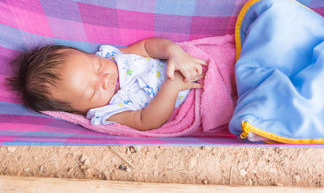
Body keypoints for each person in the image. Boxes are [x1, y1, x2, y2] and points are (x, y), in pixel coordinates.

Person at [7, 38, 208, 131]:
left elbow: (147, 48)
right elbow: (146, 121)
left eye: (97, 66)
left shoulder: (115, 57)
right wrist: (171, 88)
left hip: (190, 63)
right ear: (79, 110)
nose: (105, 79)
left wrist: (174, 52)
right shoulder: (107, 112)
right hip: (191, 102)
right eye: (93, 91)